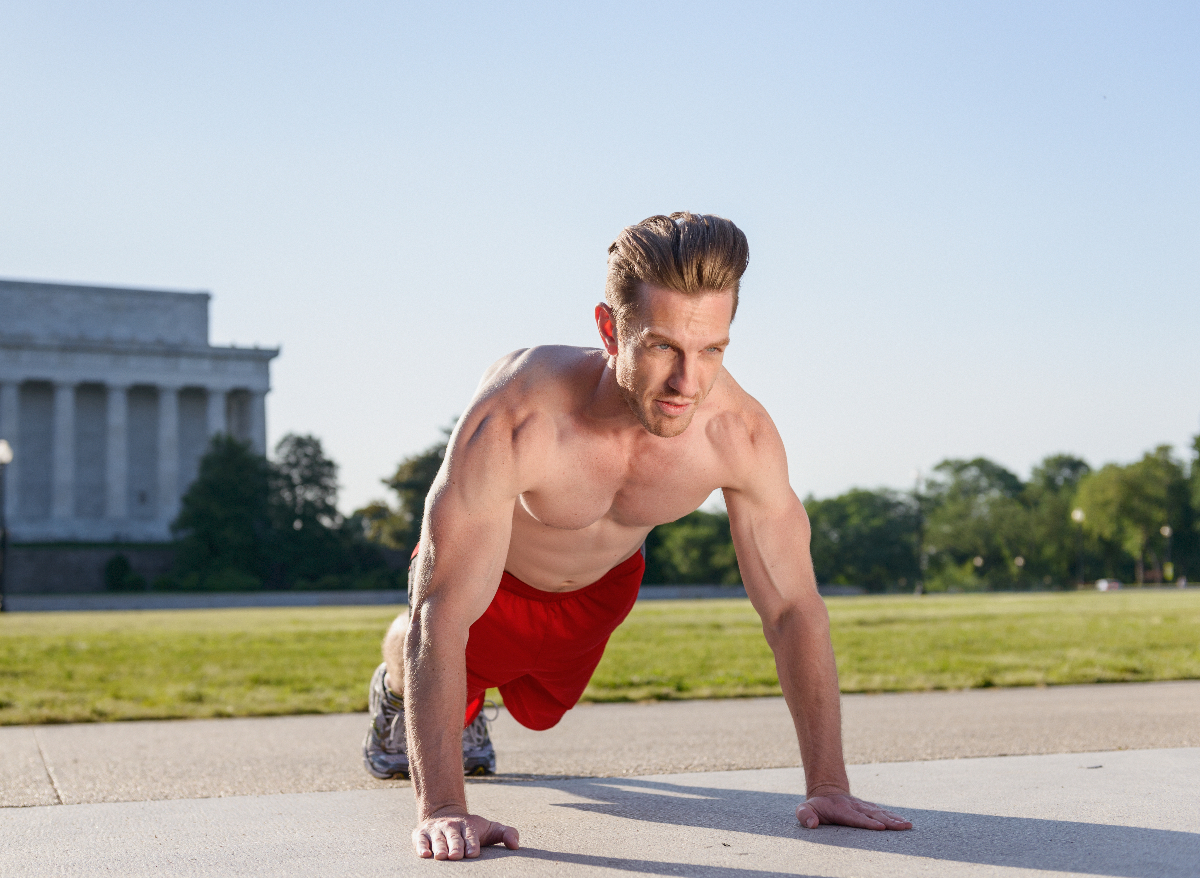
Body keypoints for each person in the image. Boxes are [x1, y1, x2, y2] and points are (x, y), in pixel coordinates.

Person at [363, 212, 912, 861]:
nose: (688, 381)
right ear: (609, 329)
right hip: (492, 573)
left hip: (601, 590)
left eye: (712, 349)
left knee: (542, 711)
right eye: (662, 347)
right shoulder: (520, 413)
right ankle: (397, 691)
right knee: (427, 638)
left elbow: (793, 607)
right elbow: (442, 611)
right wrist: (445, 807)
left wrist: (829, 785)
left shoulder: (739, 434)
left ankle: (465, 707)